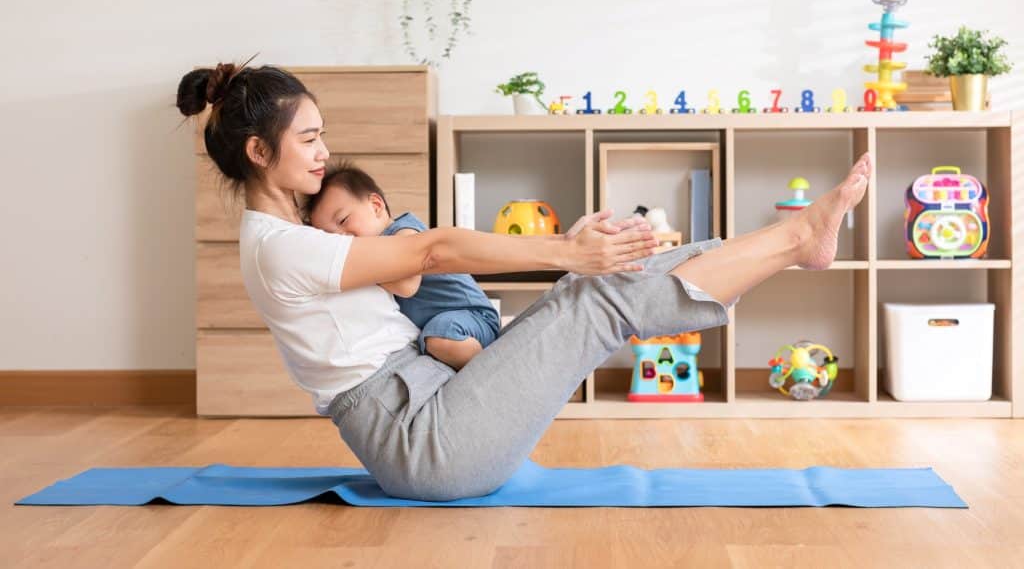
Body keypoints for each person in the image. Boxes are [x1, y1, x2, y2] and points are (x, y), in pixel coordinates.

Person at [176, 61, 871, 502]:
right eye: (309, 140)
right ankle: (794, 238)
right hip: (425, 444)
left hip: (434, 408)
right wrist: (564, 250)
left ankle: (796, 239)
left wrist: (571, 254)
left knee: (588, 290)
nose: (326, 153)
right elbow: (433, 250)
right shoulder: (279, 249)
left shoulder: (291, 235)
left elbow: (424, 258)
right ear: (259, 151)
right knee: (593, 293)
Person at [303, 160, 500, 370]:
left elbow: (406, 286)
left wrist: (356, 269)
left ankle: (491, 370)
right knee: (434, 341)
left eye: (343, 221)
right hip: (443, 327)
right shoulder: (376, 250)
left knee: (440, 339)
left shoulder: (403, 232)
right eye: (331, 237)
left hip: (471, 319)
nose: (341, 237)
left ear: (376, 206)